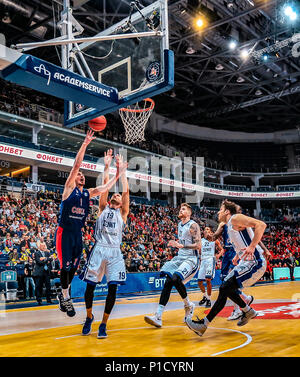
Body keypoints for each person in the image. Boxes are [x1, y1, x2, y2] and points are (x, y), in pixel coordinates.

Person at [56, 132, 126, 317]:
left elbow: (104, 188)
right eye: (79, 175)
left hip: (77, 234)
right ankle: (65, 296)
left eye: (82, 175)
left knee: (73, 268)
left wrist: (117, 173)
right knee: (65, 267)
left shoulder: (87, 193)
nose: (81, 175)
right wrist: (85, 143)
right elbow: (77, 164)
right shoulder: (69, 190)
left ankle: (63, 291)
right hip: (65, 233)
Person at [186, 199, 267, 337]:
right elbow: (241, 242)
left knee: (225, 288)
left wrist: (253, 246)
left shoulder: (235, 218)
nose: (218, 212)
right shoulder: (229, 225)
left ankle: (206, 323)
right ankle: (246, 310)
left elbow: (261, 224)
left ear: (227, 212)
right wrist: (237, 257)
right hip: (245, 262)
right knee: (225, 288)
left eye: (220, 209)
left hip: (255, 262)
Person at [80, 151, 129, 338]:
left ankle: (103, 324)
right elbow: (105, 187)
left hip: (115, 252)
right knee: (90, 287)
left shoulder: (123, 213)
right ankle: (89, 317)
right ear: (110, 200)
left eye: (118, 195)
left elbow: (126, 192)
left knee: (113, 288)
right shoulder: (102, 208)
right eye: (114, 194)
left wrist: (122, 172)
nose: (117, 195)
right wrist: (107, 167)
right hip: (99, 248)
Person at [144, 203, 200, 328]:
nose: (181, 210)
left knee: (175, 278)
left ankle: (188, 305)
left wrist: (182, 245)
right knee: (168, 281)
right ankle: (158, 316)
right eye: (180, 208)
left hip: (191, 259)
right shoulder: (180, 224)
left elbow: (198, 245)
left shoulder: (193, 225)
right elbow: (182, 242)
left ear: (189, 213)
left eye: (183, 209)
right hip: (180, 257)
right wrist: (176, 243)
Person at [197, 226, 223, 308]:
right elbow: (200, 252)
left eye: (208, 229)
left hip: (210, 260)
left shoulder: (214, 239)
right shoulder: (201, 241)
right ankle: (205, 296)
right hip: (203, 261)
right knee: (199, 282)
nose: (206, 230)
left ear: (211, 232)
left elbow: (222, 249)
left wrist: (218, 256)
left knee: (208, 280)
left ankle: (209, 299)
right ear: (204, 232)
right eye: (205, 229)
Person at [33, 241, 53, 305]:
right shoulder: (36, 253)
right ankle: (39, 300)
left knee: (48, 286)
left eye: (44, 245)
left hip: (46, 272)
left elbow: (51, 259)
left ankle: (49, 300)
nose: (44, 247)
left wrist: (44, 258)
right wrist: (47, 260)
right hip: (39, 272)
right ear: (39, 246)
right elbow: (39, 262)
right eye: (43, 246)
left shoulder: (47, 253)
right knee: (39, 287)